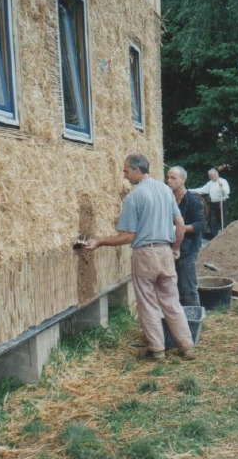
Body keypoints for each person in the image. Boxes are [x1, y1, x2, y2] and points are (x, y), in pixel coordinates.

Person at [84, 153, 195, 361]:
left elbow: (128, 236)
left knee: (148, 302)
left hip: (145, 254)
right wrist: (176, 248)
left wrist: (99, 242)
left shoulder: (134, 197)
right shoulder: (166, 190)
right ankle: (187, 347)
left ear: (137, 170)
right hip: (165, 251)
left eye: (126, 170)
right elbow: (180, 225)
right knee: (172, 301)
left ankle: (157, 350)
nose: (124, 175)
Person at [166, 165, 205, 307]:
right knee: (171, 286)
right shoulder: (167, 199)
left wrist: (179, 229)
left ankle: (193, 318)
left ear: (182, 180)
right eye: (168, 177)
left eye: (173, 178)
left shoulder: (193, 200)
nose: (169, 180)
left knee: (187, 286)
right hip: (169, 248)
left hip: (188, 249)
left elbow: (201, 224)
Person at [189, 168, 230, 237]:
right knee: (213, 221)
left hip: (222, 203)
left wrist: (222, 187)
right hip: (213, 204)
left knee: (224, 220)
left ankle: (225, 237)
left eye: (210, 176)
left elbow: (227, 192)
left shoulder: (223, 181)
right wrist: (189, 190)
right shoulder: (210, 183)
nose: (209, 177)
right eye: (209, 176)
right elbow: (202, 190)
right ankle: (215, 237)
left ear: (215, 174)